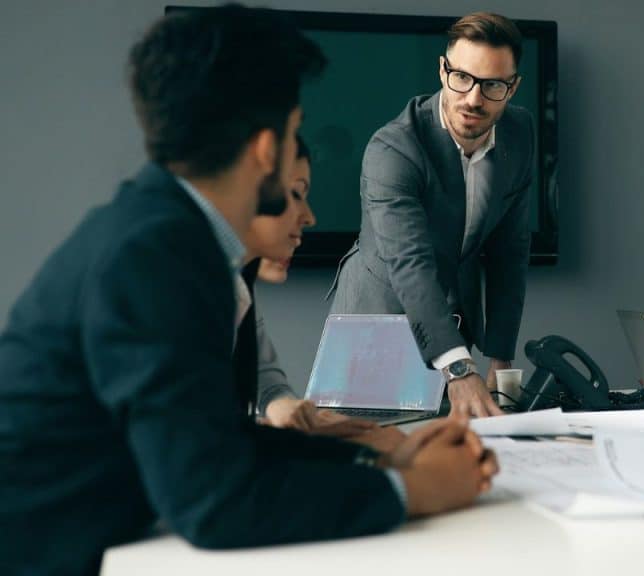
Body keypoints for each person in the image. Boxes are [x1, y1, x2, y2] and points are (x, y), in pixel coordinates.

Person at [0, 6, 496, 575]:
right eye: (291, 134)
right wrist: (409, 492)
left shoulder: (167, 235)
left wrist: (371, 452)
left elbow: (216, 444)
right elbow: (216, 504)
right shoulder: (155, 258)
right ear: (266, 150)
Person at [327, 12, 535, 418]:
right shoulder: (394, 149)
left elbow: (511, 250)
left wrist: (498, 357)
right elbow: (410, 264)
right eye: (462, 77)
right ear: (442, 70)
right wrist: (459, 368)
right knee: (376, 463)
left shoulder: (520, 132)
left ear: (513, 88)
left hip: (455, 324)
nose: (474, 98)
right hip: (378, 329)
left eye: (492, 85)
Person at [238, 135, 402, 451]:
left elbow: (264, 382)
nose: (310, 218)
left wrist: (288, 409)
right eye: (296, 194)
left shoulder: (237, 289)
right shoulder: (181, 292)